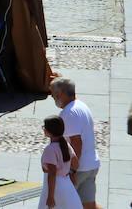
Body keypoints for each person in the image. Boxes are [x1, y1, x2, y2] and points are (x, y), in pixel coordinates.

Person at [50, 77, 100, 209]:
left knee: (62, 204)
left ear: (60, 94)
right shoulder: (82, 106)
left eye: (53, 95)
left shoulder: (69, 113)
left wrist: (71, 170)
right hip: (91, 165)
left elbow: (76, 143)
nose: (53, 98)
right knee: (89, 205)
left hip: (79, 169)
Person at [40, 115, 84, 209]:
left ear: (49, 131)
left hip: (54, 187)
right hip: (66, 183)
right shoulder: (66, 145)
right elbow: (75, 164)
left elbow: (52, 173)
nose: (43, 129)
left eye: (44, 127)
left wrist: (50, 196)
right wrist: (70, 172)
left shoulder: (50, 149)